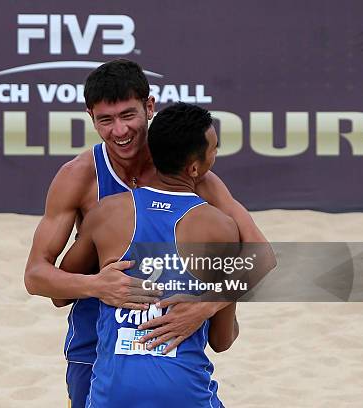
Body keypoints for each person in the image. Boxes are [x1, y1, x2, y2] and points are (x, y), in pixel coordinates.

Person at [24, 59, 272, 408]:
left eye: (128, 115)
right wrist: (96, 285)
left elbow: (261, 255)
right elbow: (36, 275)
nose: (119, 131)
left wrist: (206, 304)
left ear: (149, 107)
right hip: (94, 351)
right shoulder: (78, 176)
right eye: (105, 120)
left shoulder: (189, 173)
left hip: (171, 347)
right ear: (91, 118)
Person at [59, 102, 239, 407]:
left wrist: (100, 284)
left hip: (112, 394)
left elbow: (59, 291)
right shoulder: (219, 227)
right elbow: (222, 342)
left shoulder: (106, 214)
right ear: (195, 168)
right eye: (214, 149)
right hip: (184, 393)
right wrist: (213, 301)